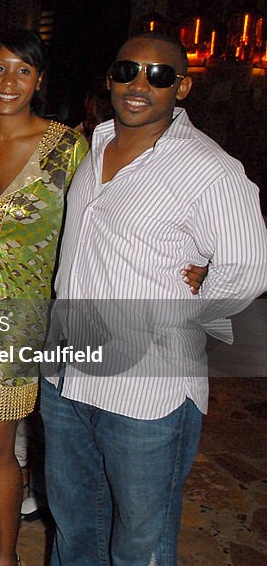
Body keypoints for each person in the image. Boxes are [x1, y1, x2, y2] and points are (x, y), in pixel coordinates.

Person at [42, 32, 267, 565]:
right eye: (128, 71)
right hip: (67, 376)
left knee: (139, 544)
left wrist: (190, 315)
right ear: (110, 78)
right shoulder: (95, 144)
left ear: (182, 87)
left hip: (148, 392)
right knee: (74, 528)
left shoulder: (209, 169)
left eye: (159, 75)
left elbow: (248, 269)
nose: (139, 84)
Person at [0, 29, 88, 565]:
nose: (9, 81)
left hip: (19, 318)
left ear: (39, 81)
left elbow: (101, 215)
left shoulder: (67, 149)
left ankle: (6, 555)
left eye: (22, 70)